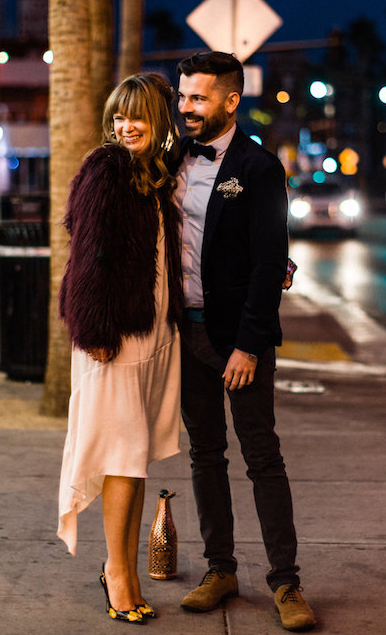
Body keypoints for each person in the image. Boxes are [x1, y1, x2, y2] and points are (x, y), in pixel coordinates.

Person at [173, 51, 317, 632]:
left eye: (198, 98)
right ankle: (220, 569)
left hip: (239, 337)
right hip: (185, 332)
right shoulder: (171, 160)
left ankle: (286, 582)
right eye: (182, 96)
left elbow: (268, 264)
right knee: (205, 454)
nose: (186, 108)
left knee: (262, 456)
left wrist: (250, 346)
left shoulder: (259, 168)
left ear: (231, 102)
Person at [56, 73, 183, 626]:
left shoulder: (153, 177)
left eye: (136, 117)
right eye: (118, 117)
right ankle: (117, 573)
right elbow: (88, 260)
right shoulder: (107, 171)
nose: (125, 126)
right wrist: (98, 332)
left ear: (159, 124)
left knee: (133, 462)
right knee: (121, 457)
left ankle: (124, 570)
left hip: (153, 335)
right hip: (117, 338)